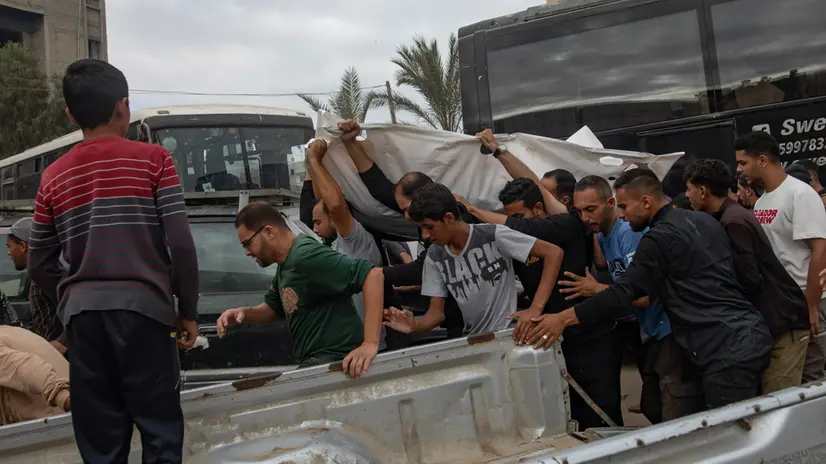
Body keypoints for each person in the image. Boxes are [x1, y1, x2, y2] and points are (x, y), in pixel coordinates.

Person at [27, 59, 199, 463]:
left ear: (71, 115)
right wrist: (186, 309)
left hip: (84, 325)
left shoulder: (53, 176)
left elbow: (39, 262)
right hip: (146, 316)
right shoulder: (156, 161)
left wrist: (74, 298)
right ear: (123, 106)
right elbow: (182, 246)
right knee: (160, 435)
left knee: (101, 445)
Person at [526, 168, 773, 410]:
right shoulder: (702, 220)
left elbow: (626, 292)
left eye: (623, 207)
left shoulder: (658, 239)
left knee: (730, 436)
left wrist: (563, 318)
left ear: (645, 201)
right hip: (749, 334)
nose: (621, 215)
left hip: (723, 350)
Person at [459, 177, 623, 428]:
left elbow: (522, 228)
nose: (514, 225)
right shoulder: (521, 246)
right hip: (556, 339)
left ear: (538, 209)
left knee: (603, 413)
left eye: (519, 216)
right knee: (571, 414)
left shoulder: (567, 225)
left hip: (593, 336)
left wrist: (473, 210)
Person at [566, 175, 700, 423]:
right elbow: (604, 265)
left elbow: (643, 296)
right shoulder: (605, 234)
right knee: (652, 406)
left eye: (591, 209)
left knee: (673, 412)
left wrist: (596, 288)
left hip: (668, 331)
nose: (585, 218)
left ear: (611, 202)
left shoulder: (629, 232)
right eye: (580, 211)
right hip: (647, 333)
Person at [684, 159, 810, 393]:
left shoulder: (733, 222)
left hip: (784, 324)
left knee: (778, 406)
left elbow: (750, 279)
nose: (686, 195)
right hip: (773, 323)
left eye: (689, 189)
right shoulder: (727, 217)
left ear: (703, 191)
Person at [217, 202, 384, 377]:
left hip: (336, 364)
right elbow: (274, 309)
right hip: (319, 364)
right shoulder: (286, 263)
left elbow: (372, 276)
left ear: (269, 232)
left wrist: (370, 343)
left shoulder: (304, 256)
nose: (247, 252)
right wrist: (242, 314)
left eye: (247, 244)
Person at [336, 119, 466, 339]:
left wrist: (376, 274)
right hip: (451, 318)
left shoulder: (457, 220)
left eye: (408, 209)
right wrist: (350, 143)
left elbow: (422, 268)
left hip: (471, 320)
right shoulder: (423, 215)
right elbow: (380, 188)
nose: (406, 217)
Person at [383, 182, 564, 339]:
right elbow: (435, 314)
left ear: (449, 218)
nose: (426, 235)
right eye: (421, 228)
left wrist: (535, 308)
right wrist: (414, 326)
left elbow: (553, 253)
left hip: (509, 333)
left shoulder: (492, 235)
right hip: (473, 340)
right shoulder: (434, 255)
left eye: (429, 227)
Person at [735, 131, 826, 382]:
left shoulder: (799, 194)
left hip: (809, 300)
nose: (739, 169)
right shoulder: (762, 202)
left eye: (743, 162)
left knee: (811, 379)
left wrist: (811, 305)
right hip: (784, 306)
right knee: (795, 381)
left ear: (763, 160)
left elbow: (820, 249)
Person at [304, 139, 386, 351]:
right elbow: (323, 200)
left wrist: (315, 160)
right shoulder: (332, 248)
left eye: (317, 222)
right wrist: (313, 163)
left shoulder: (356, 242)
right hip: (347, 350)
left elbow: (334, 204)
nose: (314, 229)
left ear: (334, 218)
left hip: (368, 351)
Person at [7, 217, 64, 352]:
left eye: (10, 247)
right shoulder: (37, 276)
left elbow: (78, 313)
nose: (9, 253)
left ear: (23, 246)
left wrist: (61, 344)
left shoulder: (48, 275)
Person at [0, 325, 71, 425]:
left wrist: (64, 398)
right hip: (74, 409)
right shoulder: (11, 332)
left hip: (59, 421)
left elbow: (27, 367)